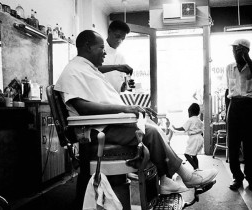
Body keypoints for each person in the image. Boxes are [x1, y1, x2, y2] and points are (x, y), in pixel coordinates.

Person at [54, 30, 218, 206]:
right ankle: (187, 177)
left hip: (106, 126)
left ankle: (166, 180)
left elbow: (102, 99)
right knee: (151, 132)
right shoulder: (73, 71)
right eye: (101, 47)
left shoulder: (86, 68)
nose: (105, 52)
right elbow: (83, 108)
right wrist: (126, 108)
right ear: (87, 46)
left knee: (151, 124)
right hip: (95, 131)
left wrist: (132, 110)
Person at [226, 39, 252, 192]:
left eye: (238, 50)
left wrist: (247, 59)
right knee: (233, 145)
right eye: (234, 50)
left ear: (246, 50)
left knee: (251, 146)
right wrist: (227, 110)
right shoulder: (229, 67)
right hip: (234, 106)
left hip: (250, 107)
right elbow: (228, 90)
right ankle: (237, 177)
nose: (235, 53)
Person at [99, 20, 134, 93]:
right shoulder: (98, 50)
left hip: (114, 99)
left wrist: (125, 85)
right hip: (98, 98)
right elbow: (92, 69)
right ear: (109, 31)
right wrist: (116, 67)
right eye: (117, 36)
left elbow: (120, 88)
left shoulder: (120, 57)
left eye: (122, 39)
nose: (119, 41)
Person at [172, 103, 204, 170]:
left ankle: (195, 168)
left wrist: (175, 128)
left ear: (190, 112)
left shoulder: (190, 120)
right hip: (200, 138)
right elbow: (202, 130)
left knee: (187, 154)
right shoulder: (199, 120)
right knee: (194, 155)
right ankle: (197, 168)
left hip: (194, 138)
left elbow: (183, 128)